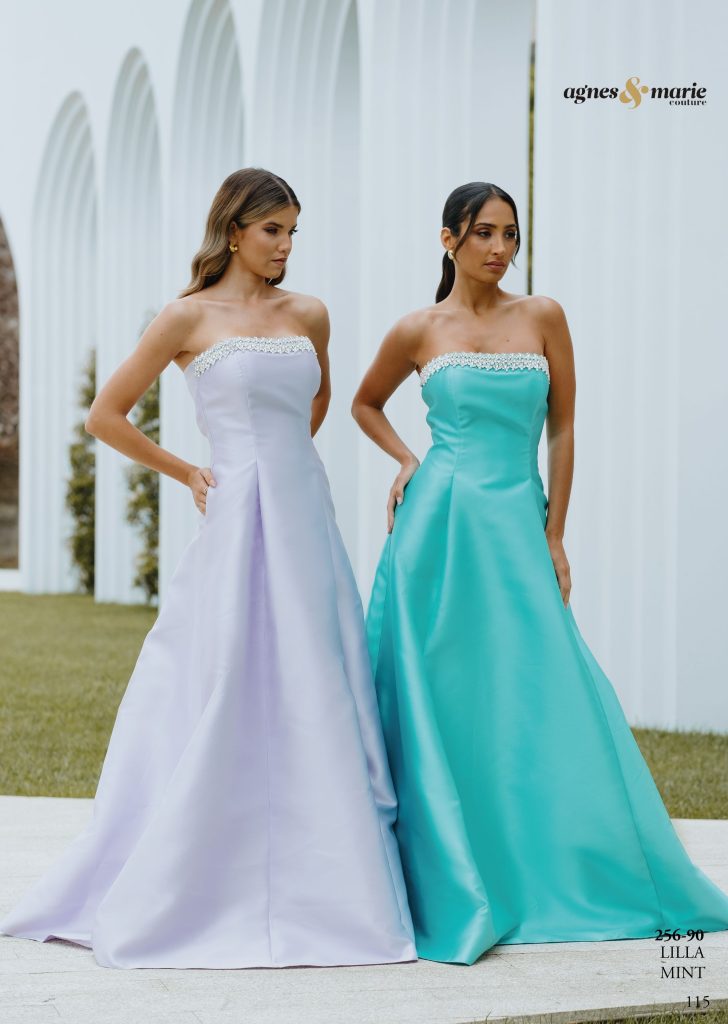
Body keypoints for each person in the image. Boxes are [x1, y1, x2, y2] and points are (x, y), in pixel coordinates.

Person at [0, 167, 416, 970]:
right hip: (236, 518)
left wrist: (282, 459)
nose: (286, 247)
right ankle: (202, 867)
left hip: (306, 515)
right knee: (228, 675)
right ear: (233, 231)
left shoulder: (309, 313)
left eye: (293, 232)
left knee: (318, 677)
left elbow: (316, 400)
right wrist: (193, 469)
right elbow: (105, 416)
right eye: (272, 231)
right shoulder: (186, 316)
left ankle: (331, 881)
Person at [351, 181, 728, 965]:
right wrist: (408, 461)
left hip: (515, 524)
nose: (501, 249)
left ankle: (561, 865)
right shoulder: (418, 328)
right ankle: (452, 873)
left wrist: (555, 532)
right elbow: (364, 404)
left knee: (539, 688)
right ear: (449, 239)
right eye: (484, 233)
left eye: (511, 234)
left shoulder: (544, 315)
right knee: (443, 694)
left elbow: (563, 428)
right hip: (438, 528)